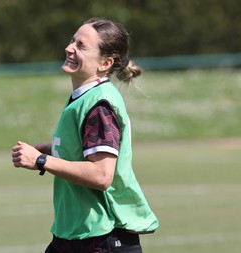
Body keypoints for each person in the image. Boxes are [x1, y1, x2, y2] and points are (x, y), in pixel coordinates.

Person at [11, 17, 159, 253]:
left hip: (101, 238)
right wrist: (53, 148)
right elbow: (89, 149)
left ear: (105, 63)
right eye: (72, 40)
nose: (69, 48)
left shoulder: (99, 105)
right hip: (77, 233)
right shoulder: (85, 97)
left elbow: (102, 175)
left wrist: (41, 160)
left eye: (81, 46)